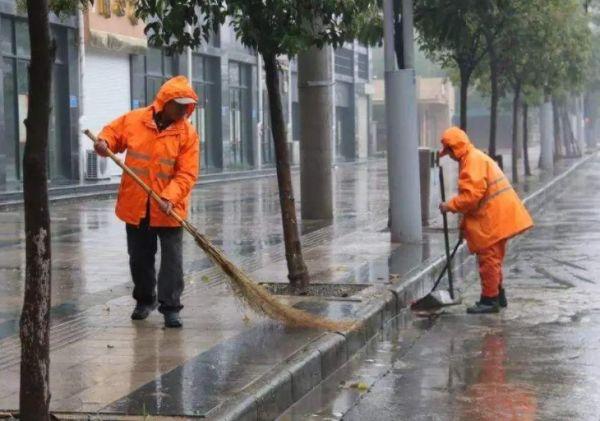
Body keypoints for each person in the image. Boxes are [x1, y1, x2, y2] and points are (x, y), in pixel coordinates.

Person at [94, 76, 199, 328]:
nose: (184, 110)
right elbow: (112, 133)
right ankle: (144, 300)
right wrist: (104, 142)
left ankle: (171, 307)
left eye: (187, 105)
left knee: (172, 261)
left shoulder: (187, 134)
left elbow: (187, 174)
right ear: (165, 102)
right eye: (179, 104)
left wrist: (169, 196)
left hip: (169, 208)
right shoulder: (135, 120)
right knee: (139, 258)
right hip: (137, 205)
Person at [438, 127, 533, 314]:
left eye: (449, 151)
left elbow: (471, 197)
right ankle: (498, 295)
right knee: (494, 259)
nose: (449, 156)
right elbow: (475, 202)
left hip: (494, 219)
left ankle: (489, 301)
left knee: (488, 260)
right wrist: (464, 225)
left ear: (455, 148)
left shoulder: (472, 161)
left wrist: (449, 206)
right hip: (499, 216)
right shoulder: (474, 157)